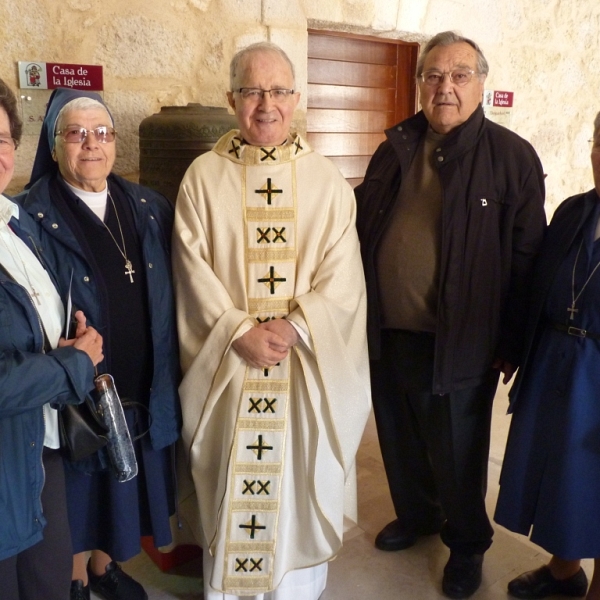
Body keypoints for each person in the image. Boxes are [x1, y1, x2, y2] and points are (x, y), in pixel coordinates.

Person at [172, 41, 371, 600]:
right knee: (233, 490)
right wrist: (238, 331)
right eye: (254, 91)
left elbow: (344, 278)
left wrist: (295, 327)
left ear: (297, 98)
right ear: (231, 97)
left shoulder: (326, 182)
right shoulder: (202, 178)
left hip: (302, 369)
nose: (267, 104)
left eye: (280, 91)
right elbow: (191, 270)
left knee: (292, 493)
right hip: (230, 369)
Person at [354, 30, 546, 598]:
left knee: (458, 450)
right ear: (418, 85)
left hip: (463, 342)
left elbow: (527, 258)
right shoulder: (393, 149)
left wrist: (511, 344)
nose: (445, 87)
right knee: (399, 435)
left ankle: (467, 544)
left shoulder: (511, 157)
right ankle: (417, 517)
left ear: (481, 84)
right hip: (389, 332)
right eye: (433, 76)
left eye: (459, 75)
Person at [17, 88, 181, 600]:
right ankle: (71, 579)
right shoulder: (28, 216)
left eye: (103, 132)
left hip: (143, 377)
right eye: (77, 133)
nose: (92, 144)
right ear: (55, 143)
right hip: (80, 387)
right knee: (79, 492)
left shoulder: (148, 206)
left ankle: (102, 569)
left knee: (123, 489)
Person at [0, 78, 104, 600]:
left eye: (0, 138)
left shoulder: (15, 223)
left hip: (42, 449)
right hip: (2, 466)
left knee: (49, 582)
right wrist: (73, 366)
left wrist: (66, 343)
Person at [494, 113, 600, 600]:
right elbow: (535, 285)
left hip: (596, 373)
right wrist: (516, 348)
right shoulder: (574, 210)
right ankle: (564, 572)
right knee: (561, 474)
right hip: (556, 359)